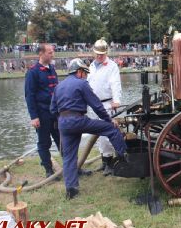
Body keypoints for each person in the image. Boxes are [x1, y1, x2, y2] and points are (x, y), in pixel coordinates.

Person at [50, 58, 127, 199]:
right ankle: (124, 157)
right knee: (111, 129)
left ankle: (71, 190)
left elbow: (53, 109)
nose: (86, 75)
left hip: (63, 123)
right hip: (78, 120)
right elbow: (96, 105)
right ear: (79, 72)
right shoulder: (82, 84)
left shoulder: (58, 87)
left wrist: (63, 122)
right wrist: (109, 119)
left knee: (68, 157)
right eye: (85, 72)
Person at [87, 38, 122, 176]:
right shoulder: (91, 66)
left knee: (107, 135)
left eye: (101, 54)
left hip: (107, 104)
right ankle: (105, 161)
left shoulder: (112, 66)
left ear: (106, 53)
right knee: (97, 135)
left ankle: (112, 161)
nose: (99, 56)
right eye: (97, 54)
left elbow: (116, 84)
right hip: (94, 105)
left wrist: (116, 100)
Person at [24, 44, 60, 178]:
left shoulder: (52, 68)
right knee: (44, 142)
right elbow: (29, 96)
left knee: (62, 140)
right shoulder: (33, 72)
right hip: (42, 114)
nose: (53, 55)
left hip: (56, 113)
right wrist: (34, 117)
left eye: (53, 52)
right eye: (50, 52)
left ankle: (72, 167)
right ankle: (49, 170)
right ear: (41, 53)